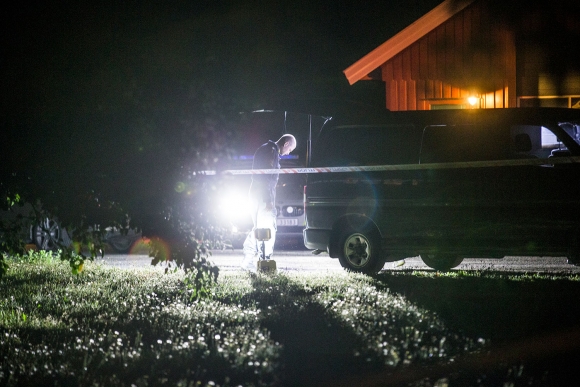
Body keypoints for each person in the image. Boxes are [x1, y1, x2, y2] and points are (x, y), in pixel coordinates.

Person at [240, 134, 297, 272]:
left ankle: (248, 261)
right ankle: (265, 266)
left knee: (259, 229)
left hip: (255, 195)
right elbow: (266, 177)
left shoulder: (265, 149)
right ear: (286, 144)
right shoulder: (271, 152)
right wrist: (268, 199)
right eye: (290, 150)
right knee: (267, 230)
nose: (288, 153)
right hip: (262, 197)